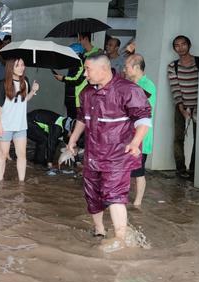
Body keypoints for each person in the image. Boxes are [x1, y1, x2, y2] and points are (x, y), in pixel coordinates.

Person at [65, 52, 152, 251]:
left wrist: (136, 142)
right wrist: (73, 139)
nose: (84, 74)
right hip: (93, 153)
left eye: (87, 69)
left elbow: (144, 119)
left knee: (115, 194)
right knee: (92, 193)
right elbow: (82, 117)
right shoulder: (86, 92)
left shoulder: (128, 89)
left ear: (103, 69)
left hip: (118, 155)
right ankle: (99, 231)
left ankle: (120, 238)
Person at [0, 58, 40, 182]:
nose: (21, 67)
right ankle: (0, 182)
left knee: (22, 155)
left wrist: (33, 91)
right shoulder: (3, 84)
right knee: (3, 155)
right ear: (11, 68)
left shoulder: (25, 81)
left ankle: (21, 182)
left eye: (22, 65)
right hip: (5, 125)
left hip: (20, 125)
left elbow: (24, 100)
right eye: (18, 65)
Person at [124, 54, 156, 206]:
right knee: (126, 169)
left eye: (127, 66)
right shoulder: (130, 83)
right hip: (128, 135)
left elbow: (141, 111)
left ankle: (137, 203)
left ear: (136, 67)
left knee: (138, 172)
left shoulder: (147, 85)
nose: (125, 69)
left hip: (142, 136)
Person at [167, 35, 199, 180]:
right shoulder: (172, 66)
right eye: (177, 45)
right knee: (178, 138)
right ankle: (181, 169)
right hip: (181, 105)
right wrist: (180, 106)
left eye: (183, 44)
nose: (180, 47)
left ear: (189, 45)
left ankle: (193, 170)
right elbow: (175, 88)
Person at [54, 32, 101, 117]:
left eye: (80, 39)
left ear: (86, 39)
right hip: (75, 96)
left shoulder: (98, 53)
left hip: (83, 96)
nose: (78, 41)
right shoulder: (83, 55)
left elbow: (78, 79)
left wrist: (63, 78)